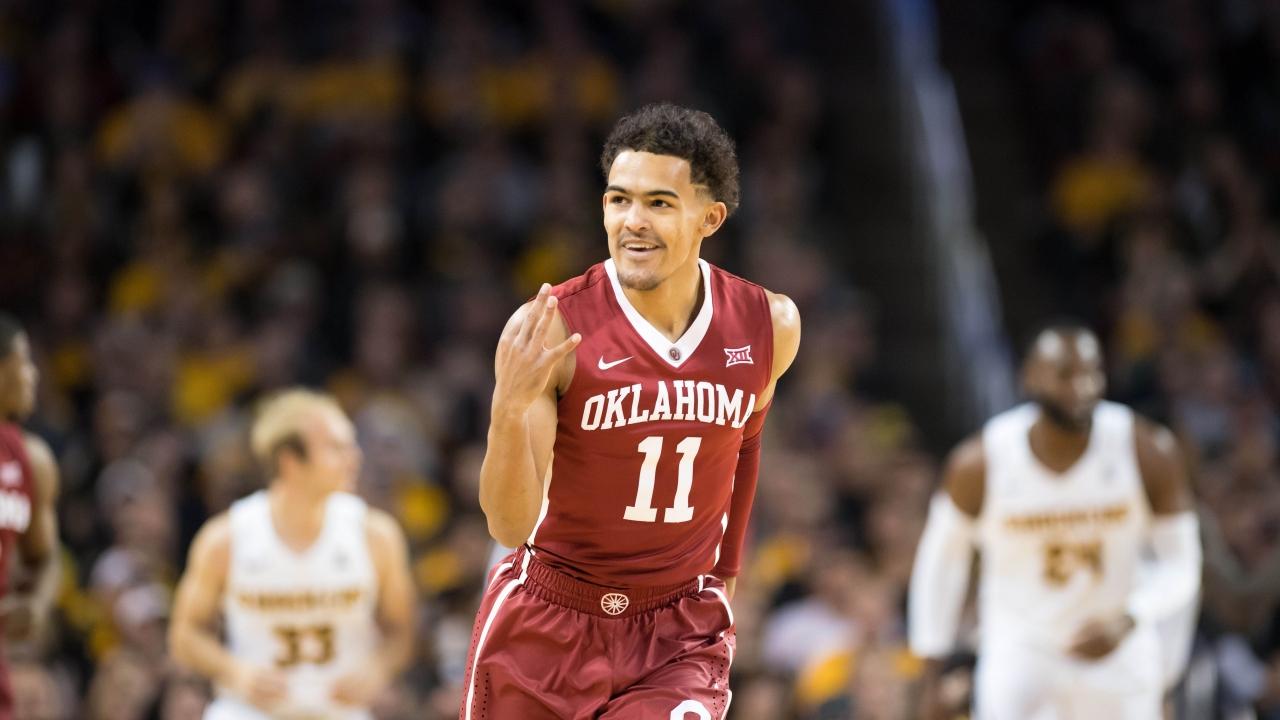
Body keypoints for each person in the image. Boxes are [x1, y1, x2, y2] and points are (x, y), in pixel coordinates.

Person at [461, 103, 802, 719]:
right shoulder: (552, 329)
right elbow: (509, 527)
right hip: (549, 621)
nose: (632, 222)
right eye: (619, 200)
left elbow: (744, 451)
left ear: (710, 217)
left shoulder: (768, 323)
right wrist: (507, 411)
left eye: (659, 203)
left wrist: (727, 579)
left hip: (678, 631)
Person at [908, 323, 1202, 720]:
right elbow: (940, 565)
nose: (1082, 386)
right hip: (1020, 648)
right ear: (1030, 377)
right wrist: (931, 671)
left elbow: (1182, 564)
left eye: (1092, 372)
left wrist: (1132, 618)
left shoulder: (1147, 450)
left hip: (1116, 644)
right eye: (1066, 374)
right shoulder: (980, 462)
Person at [169, 388, 416, 719]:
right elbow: (185, 636)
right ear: (290, 461)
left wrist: (378, 668)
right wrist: (234, 671)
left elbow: (401, 633)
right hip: (249, 711)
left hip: (340, 712)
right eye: (336, 448)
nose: (355, 457)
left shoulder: (376, 536)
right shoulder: (225, 539)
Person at [0, 313, 61, 720]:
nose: (33, 375)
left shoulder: (31, 460)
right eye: (24, 361)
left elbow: (45, 557)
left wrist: (36, 604)